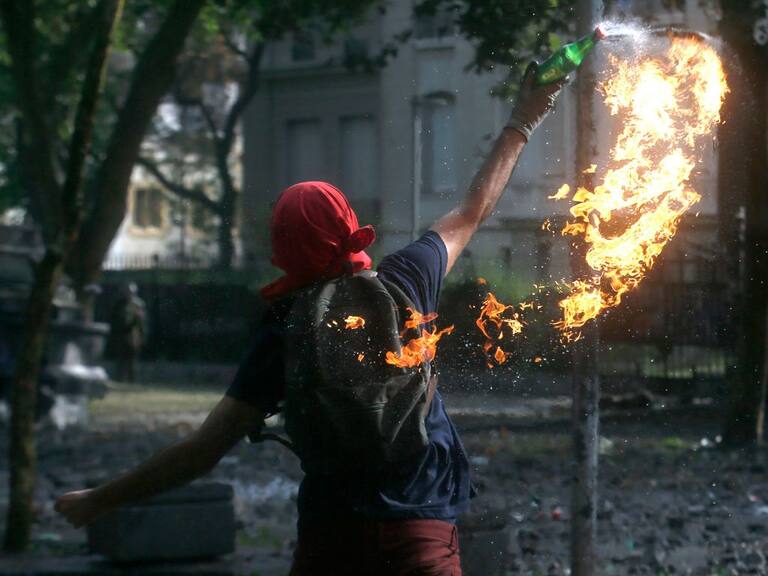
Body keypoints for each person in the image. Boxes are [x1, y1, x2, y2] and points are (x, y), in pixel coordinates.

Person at [55, 64, 564, 575]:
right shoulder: (406, 280)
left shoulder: (284, 330)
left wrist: (101, 498)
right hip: (421, 530)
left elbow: (203, 451)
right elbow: (473, 209)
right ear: (347, 225)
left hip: (332, 535)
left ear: (283, 252)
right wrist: (524, 116)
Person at [107, 282, 146, 383]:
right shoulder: (119, 304)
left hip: (133, 335)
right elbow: (114, 319)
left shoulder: (138, 304)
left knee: (132, 360)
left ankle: (132, 380)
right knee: (120, 359)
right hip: (121, 334)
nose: (129, 294)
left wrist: (141, 336)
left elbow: (141, 322)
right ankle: (119, 379)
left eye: (131, 292)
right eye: (127, 292)